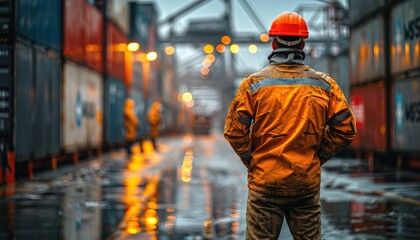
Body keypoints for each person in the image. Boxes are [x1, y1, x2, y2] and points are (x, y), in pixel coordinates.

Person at [224, 11, 357, 240]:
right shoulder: (324, 85)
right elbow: (346, 129)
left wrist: (252, 159)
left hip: (264, 185)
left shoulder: (254, 85)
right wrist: (318, 156)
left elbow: (234, 131)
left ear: (274, 42)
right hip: (304, 184)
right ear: (303, 43)